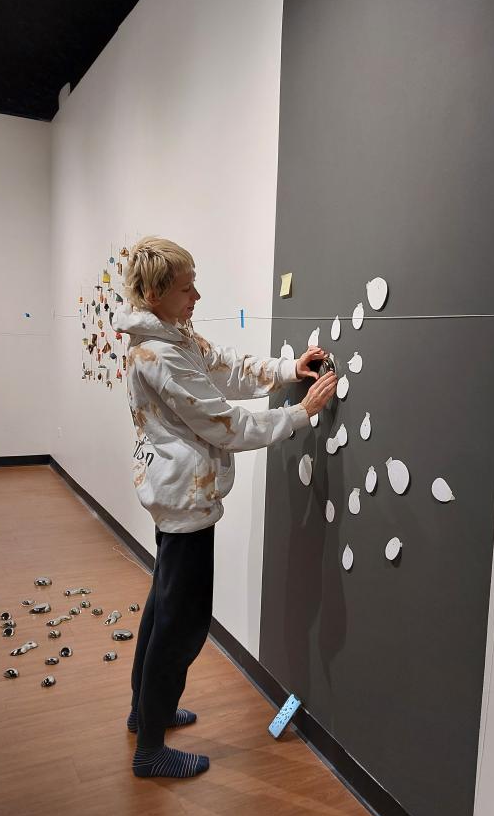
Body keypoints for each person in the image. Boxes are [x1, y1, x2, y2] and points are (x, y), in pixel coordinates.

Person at [112, 236, 337, 779]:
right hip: (185, 504)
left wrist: (288, 369)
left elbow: (225, 366)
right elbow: (226, 424)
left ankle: (147, 714)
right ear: (153, 293)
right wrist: (302, 414)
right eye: (186, 288)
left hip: (178, 498)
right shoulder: (159, 354)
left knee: (163, 608)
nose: (197, 295)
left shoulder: (172, 335)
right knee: (182, 625)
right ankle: (150, 750)